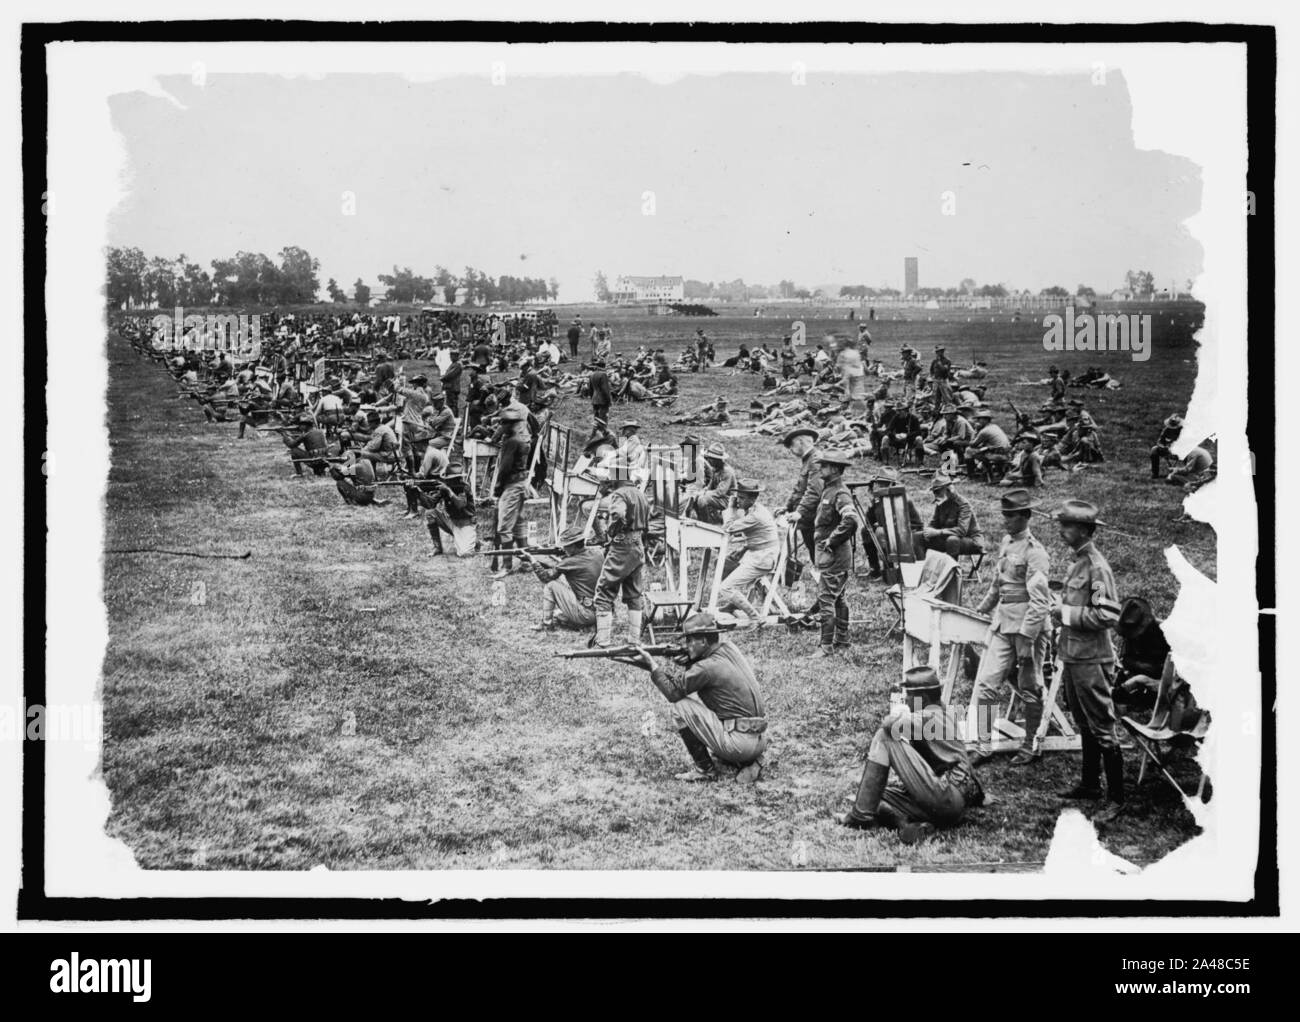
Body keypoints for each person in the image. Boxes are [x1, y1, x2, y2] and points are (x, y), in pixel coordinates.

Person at [833, 665, 984, 843]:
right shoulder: (942, 712)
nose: (906, 699)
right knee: (875, 795)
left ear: (923, 698)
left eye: (910, 695)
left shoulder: (929, 717)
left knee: (885, 737)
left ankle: (860, 818)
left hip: (948, 798)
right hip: (948, 800)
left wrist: (898, 713)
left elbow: (888, 725)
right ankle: (905, 825)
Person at [623, 611, 767, 783]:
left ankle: (705, 769)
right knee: (698, 701)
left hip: (739, 745)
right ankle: (745, 759)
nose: (687, 645)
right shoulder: (729, 649)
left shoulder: (706, 667)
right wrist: (690, 661)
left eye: (690, 641)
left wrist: (653, 666)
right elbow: (706, 676)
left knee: (680, 707)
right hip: (759, 740)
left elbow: (673, 692)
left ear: (704, 642)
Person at [1051, 499, 1126, 824]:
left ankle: (1116, 798)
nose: (1061, 531)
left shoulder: (1097, 567)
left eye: (1066, 526)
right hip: (1073, 654)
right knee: (1083, 722)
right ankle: (1090, 784)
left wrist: (1064, 613)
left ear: (1083, 530)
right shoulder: (1077, 562)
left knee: (1102, 726)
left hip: (1092, 659)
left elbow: (1107, 614)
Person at [968, 489, 1052, 767]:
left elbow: (1040, 602)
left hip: (1028, 628)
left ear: (1025, 517)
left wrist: (1028, 639)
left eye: (1011, 516)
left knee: (1030, 686)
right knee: (986, 683)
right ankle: (982, 745)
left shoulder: (1035, 552)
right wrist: (982, 608)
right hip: (1004, 623)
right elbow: (998, 584)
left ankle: (1030, 744)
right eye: (1004, 515)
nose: (1006, 521)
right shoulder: (1006, 543)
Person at [592, 458, 651, 648]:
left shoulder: (619, 494)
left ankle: (603, 640)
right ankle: (634, 640)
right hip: (637, 544)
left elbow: (617, 515)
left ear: (616, 475)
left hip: (622, 545)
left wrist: (611, 531)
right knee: (634, 592)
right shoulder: (639, 493)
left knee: (604, 589)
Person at [809, 451, 859, 659]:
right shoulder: (829, 490)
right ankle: (843, 639)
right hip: (832, 554)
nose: (821, 468)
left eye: (825, 466)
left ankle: (826, 645)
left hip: (834, 554)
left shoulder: (840, 493)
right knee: (838, 598)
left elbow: (851, 519)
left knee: (826, 598)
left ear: (835, 470)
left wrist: (832, 540)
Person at [716, 480, 780, 627]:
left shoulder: (755, 515)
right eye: (737, 497)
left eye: (742, 498)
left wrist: (731, 507)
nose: (738, 500)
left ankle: (756, 618)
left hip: (763, 558)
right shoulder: (754, 508)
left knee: (726, 588)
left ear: (753, 499)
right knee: (724, 565)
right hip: (757, 553)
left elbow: (727, 528)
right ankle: (735, 604)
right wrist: (744, 548)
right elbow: (760, 535)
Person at [525, 524, 604, 632]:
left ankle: (546, 624)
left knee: (551, 585)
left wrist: (533, 561)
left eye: (566, 545)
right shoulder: (597, 553)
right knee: (560, 584)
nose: (563, 547)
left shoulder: (570, 562)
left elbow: (546, 578)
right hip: (603, 611)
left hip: (587, 613)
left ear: (573, 546)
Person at [491, 407, 531, 577]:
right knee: (519, 525)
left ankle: (506, 566)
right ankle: (527, 563)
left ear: (509, 425)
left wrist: (498, 487)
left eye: (503, 424)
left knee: (504, 527)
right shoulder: (521, 439)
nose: (501, 426)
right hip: (521, 484)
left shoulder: (511, 442)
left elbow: (505, 467)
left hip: (512, 486)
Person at [780, 426, 822, 561]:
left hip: (815, 513)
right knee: (811, 545)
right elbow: (800, 487)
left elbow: (814, 490)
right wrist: (787, 506)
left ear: (800, 442)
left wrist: (800, 512)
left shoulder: (816, 459)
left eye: (791, 445)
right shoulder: (808, 459)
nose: (791, 450)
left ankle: (824, 577)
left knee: (816, 547)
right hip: (808, 513)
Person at [922, 473, 983, 560]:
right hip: (948, 538)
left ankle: (952, 572)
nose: (935, 495)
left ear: (948, 490)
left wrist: (937, 532)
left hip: (971, 540)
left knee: (952, 540)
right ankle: (922, 569)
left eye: (938, 491)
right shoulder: (941, 503)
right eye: (934, 492)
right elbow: (934, 523)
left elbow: (962, 531)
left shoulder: (963, 505)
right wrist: (927, 531)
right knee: (919, 537)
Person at [687, 442, 736, 524]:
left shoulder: (727, 472)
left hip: (727, 499)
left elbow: (720, 492)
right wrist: (702, 491)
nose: (709, 460)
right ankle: (703, 518)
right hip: (717, 497)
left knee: (703, 499)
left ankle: (707, 523)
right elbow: (710, 485)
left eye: (711, 458)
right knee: (695, 496)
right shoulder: (715, 469)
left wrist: (705, 493)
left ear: (717, 460)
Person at [964, 408, 1012, 482]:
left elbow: (972, 444)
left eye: (979, 419)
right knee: (980, 450)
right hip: (1006, 454)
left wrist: (975, 431)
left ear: (985, 420)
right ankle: (984, 471)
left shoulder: (984, 431)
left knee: (968, 451)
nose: (977, 421)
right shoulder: (995, 426)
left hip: (996, 455)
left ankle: (971, 476)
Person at [283, 412, 329, 477]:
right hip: (324, 459)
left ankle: (299, 473)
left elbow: (291, 445)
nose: (299, 426)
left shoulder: (305, 435)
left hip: (314, 461)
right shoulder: (320, 431)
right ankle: (320, 471)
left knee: (294, 451)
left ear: (306, 425)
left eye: (301, 425)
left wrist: (284, 435)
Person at [1149, 413, 1183, 479]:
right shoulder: (1166, 430)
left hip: (1181, 452)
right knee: (1154, 450)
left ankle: (1188, 473)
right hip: (1168, 451)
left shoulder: (1184, 431)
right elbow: (1160, 441)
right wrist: (1162, 447)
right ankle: (1155, 473)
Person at [588, 358, 612, 436]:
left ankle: (594, 434)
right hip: (602, 400)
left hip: (594, 399)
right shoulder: (603, 375)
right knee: (603, 418)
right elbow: (605, 390)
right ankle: (602, 435)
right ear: (604, 366)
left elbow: (590, 389)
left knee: (596, 418)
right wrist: (609, 400)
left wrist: (592, 398)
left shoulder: (592, 374)